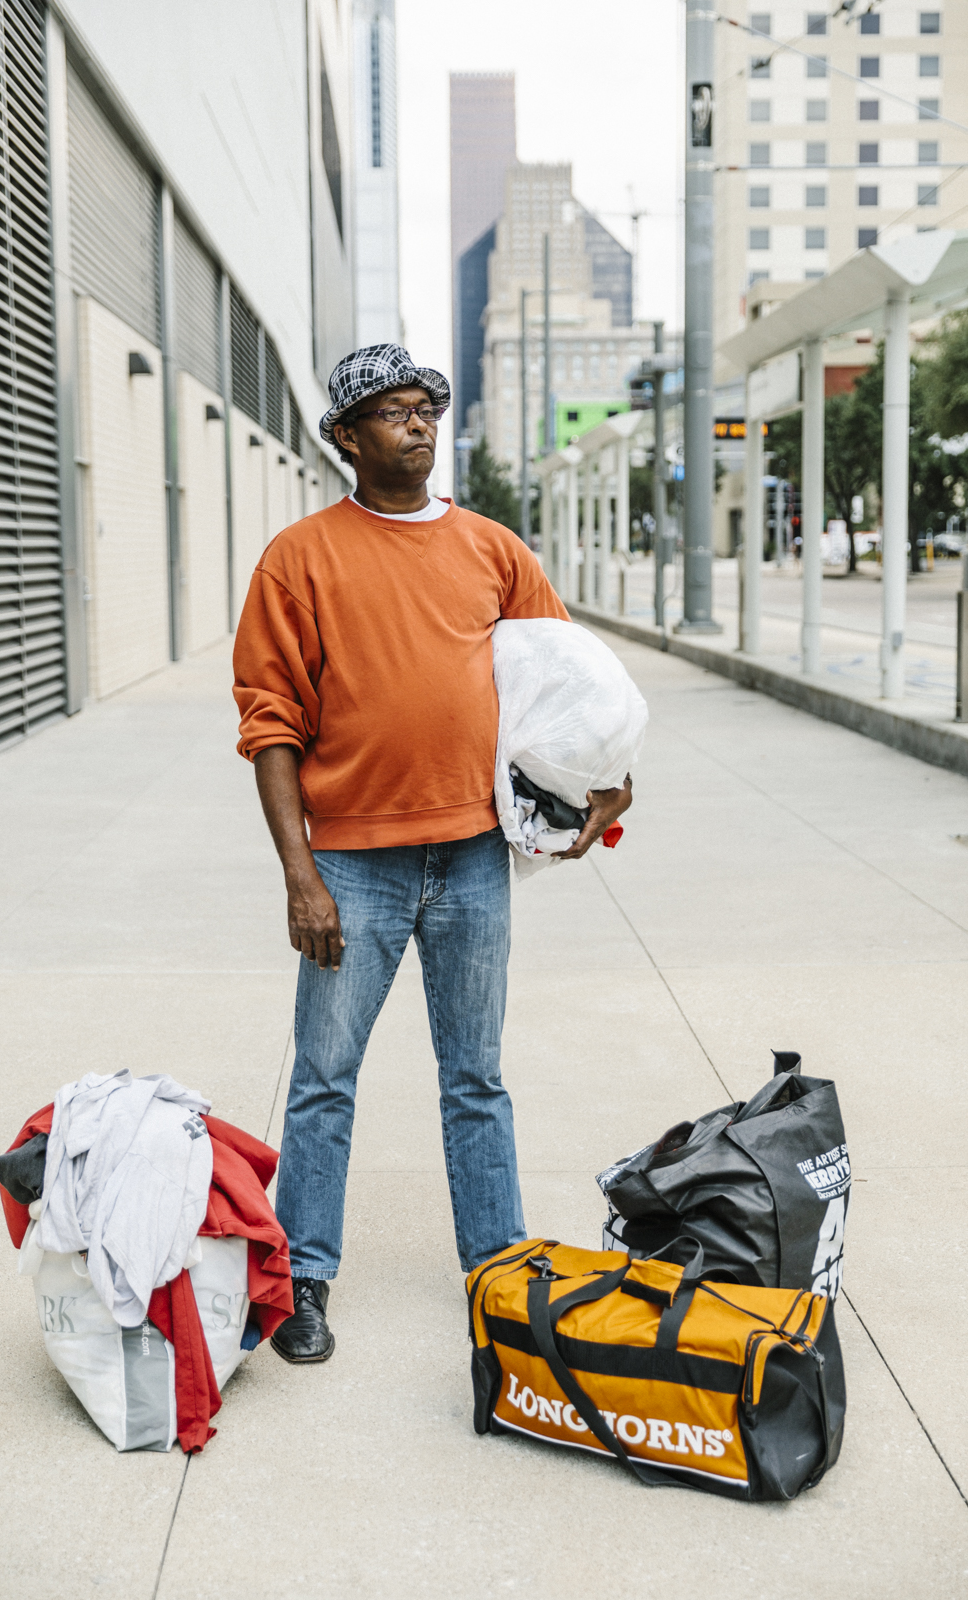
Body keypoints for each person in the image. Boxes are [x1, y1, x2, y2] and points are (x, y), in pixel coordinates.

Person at [232, 343, 632, 1363]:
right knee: (323, 1076)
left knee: (475, 1078)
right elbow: (269, 721)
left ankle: (495, 1281)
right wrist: (299, 873)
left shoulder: (493, 550)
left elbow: (568, 685)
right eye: (391, 409)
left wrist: (608, 775)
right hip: (352, 865)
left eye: (425, 406)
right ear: (344, 436)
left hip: (469, 855)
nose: (416, 422)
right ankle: (300, 1277)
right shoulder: (299, 557)